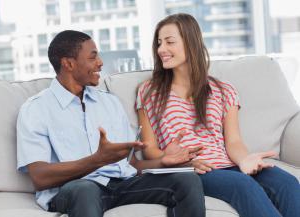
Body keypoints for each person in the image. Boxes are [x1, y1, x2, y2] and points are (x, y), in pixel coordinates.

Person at [16, 30, 206, 217]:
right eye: (92, 57)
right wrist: (97, 160)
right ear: (68, 64)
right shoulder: (36, 109)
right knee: (85, 190)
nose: (100, 63)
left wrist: (163, 161)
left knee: (186, 180)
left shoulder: (109, 102)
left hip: (121, 185)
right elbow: (39, 177)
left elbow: (132, 165)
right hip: (75, 190)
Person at [136, 13, 300, 217]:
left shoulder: (223, 90)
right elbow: (149, 149)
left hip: (228, 165)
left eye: (169, 42)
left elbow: (234, 142)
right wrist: (169, 158)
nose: (161, 50)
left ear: (191, 43)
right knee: (242, 185)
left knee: (287, 182)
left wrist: (244, 161)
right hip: (192, 170)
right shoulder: (149, 92)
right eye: (159, 43)